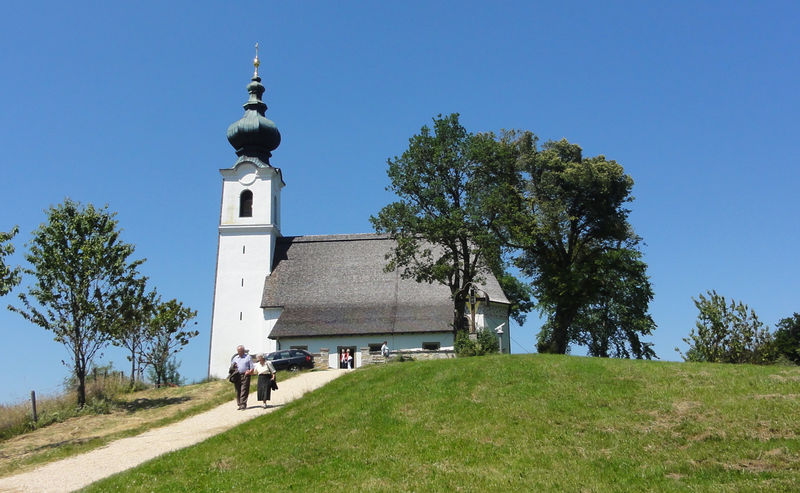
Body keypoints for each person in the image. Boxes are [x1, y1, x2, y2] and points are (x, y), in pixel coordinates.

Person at [231, 345, 254, 410]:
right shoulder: (235, 358)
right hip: (237, 375)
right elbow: (232, 367)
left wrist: (249, 371)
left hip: (245, 375)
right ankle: (239, 404)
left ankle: (243, 404)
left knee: (244, 389)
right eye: (238, 351)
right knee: (237, 390)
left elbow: (252, 367)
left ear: (243, 351)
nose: (240, 352)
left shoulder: (248, 357)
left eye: (241, 351)